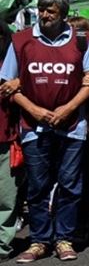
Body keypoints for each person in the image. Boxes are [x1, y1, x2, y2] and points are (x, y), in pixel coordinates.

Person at [1, 0, 89, 263]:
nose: (44, 15)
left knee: (70, 185)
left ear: (63, 14)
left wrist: (67, 109)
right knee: (38, 186)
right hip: (33, 126)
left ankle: (63, 238)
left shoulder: (81, 40)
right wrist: (34, 110)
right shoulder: (21, 41)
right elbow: (7, 83)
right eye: (42, 9)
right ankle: (39, 240)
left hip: (72, 126)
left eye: (51, 11)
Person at [0, 21, 20, 262]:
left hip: (6, 137)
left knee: (5, 196)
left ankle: (2, 245)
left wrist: (18, 82)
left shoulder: (12, 66)